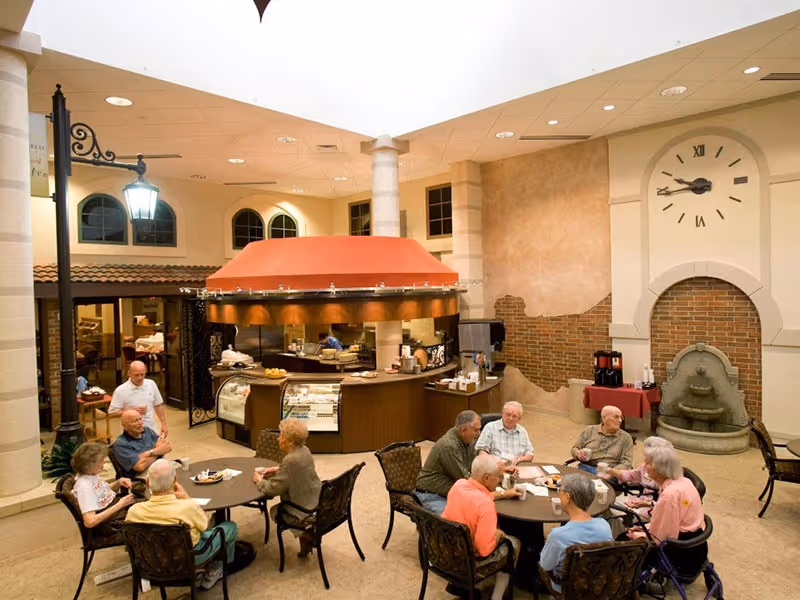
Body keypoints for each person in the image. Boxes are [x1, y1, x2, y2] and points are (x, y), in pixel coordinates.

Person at [126, 459, 238, 591]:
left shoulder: (134, 511)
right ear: (174, 481)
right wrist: (186, 497)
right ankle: (217, 569)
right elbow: (205, 525)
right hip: (190, 558)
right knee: (229, 527)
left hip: (153, 561)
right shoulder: (186, 507)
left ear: (148, 483)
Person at [441, 454, 521, 600]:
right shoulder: (485, 505)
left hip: (444, 550)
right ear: (486, 478)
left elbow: (480, 495)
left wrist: (504, 493)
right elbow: (484, 550)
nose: (501, 479)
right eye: (498, 476)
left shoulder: (458, 485)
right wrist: (498, 534)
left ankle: (459, 585)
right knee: (513, 543)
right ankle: (497, 597)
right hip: (468, 560)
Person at [623, 446, 706, 574]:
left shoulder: (669, 495)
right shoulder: (685, 481)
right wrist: (645, 528)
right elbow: (670, 521)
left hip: (681, 553)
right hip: (697, 542)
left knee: (622, 539)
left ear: (659, 470)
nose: (644, 465)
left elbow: (662, 537)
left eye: (648, 463)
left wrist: (640, 534)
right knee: (637, 526)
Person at [416, 410, 513, 515]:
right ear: (463, 430)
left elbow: (476, 466)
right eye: (476, 430)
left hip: (452, 491)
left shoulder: (466, 439)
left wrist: (497, 469)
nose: (479, 434)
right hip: (432, 495)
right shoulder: (449, 446)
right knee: (458, 524)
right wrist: (503, 494)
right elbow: (469, 482)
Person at [253, 418, 321, 558]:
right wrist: (277, 469)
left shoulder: (289, 461)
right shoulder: (305, 451)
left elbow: (274, 489)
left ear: (290, 441)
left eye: (281, 436)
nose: (278, 439)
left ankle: (306, 533)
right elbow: (296, 469)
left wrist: (259, 480)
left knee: (275, 511)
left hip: (301, 508)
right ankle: (305, 541)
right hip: (315, 500)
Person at [539, 473, 614, 592]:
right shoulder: (604, 525)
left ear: (567, 498)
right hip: (598, 585)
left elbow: (545, 565)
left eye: (560, 490)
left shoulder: (558, 535)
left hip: (568, 589)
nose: (558, 493)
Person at [70, 442, 136, 530]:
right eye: (100, 461)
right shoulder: (84, 487)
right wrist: (120, 505)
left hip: (115, 507)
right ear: (87, 466)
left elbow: (100, 494)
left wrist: (118, 483)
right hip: (109, 523)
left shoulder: (91, 475)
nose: (103, 462)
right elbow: (90, 522)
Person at [108, 361, 168, 436]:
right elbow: (112, 413)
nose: (140, 378)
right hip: (131, 434)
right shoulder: (120, 391)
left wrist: (164, 424)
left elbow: (158, 405)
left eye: (142, 374)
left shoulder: (151, 384)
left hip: (151, 431)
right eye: (136, 375)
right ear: (129, 373)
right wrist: (132, 411)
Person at [570, 405, 634, 474]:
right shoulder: (589, 430)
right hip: (585, 468)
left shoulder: (626, 438)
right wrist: (577, 453)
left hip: (608, 473)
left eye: (621, 417)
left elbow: (626, 464)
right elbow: (575, 448)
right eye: (616, 417)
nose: (620, 420)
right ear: (604, 417)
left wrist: (611, 472)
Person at [111, 410, 172, 480]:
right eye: (135, 421)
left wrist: (147, 454)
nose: (140, 423)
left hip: (160, 465)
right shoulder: (121, 444)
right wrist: (157, 451)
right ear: (125, 426)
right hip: (141, 477)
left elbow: (168, 447)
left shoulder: (147, 431)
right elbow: (140, 467)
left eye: (140, 419)